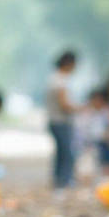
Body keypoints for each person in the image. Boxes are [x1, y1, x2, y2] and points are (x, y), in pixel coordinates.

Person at [45, 50, 78, 189]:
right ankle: (64, 182)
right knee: (67, 153)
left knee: (61, 152)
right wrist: (83, 108)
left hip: (54, 120)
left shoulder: (53, 78)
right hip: (61, 122)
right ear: (68, 63)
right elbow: (64, 104)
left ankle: (58, 180)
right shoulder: (61, 80)